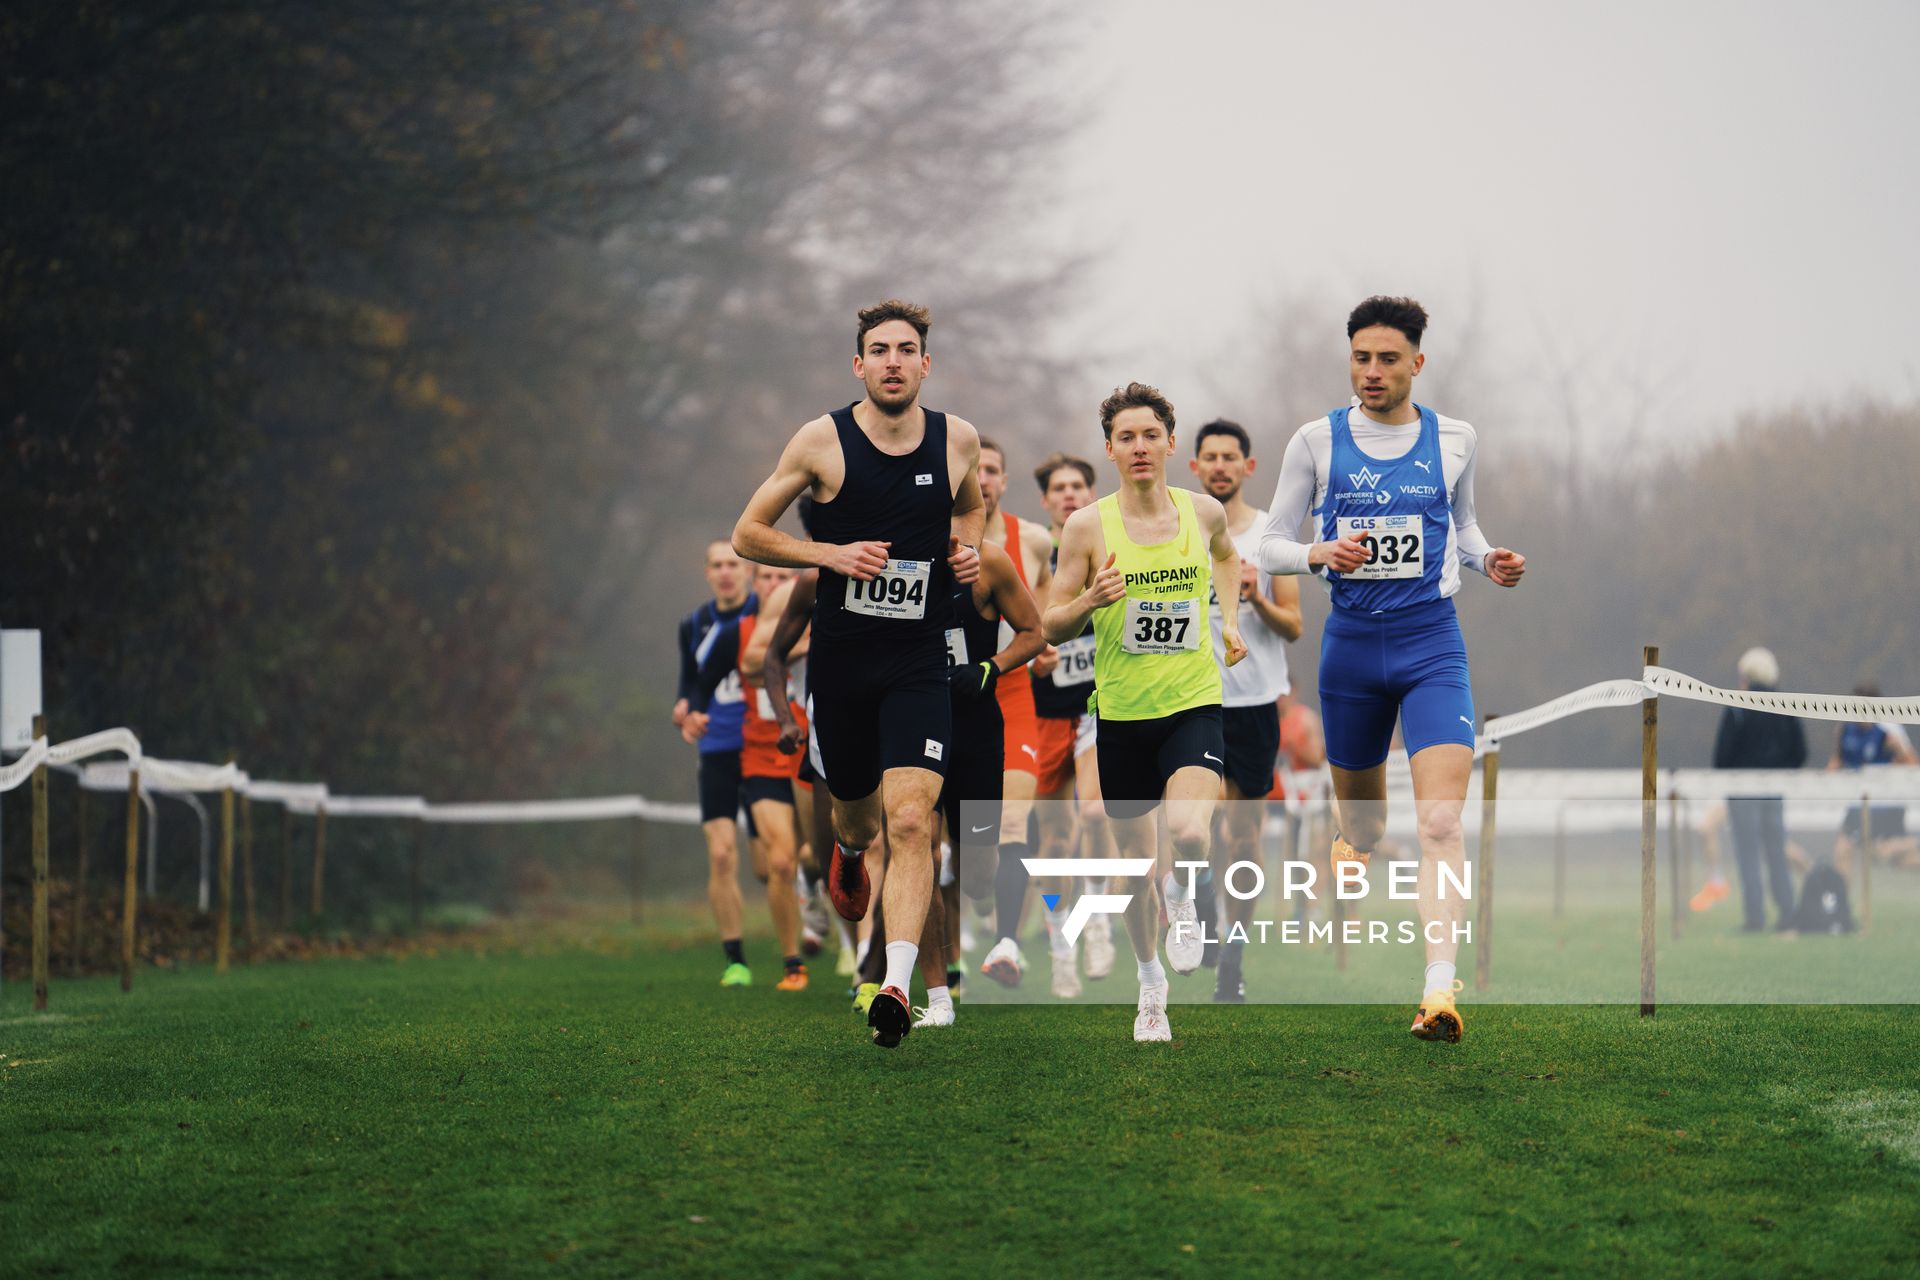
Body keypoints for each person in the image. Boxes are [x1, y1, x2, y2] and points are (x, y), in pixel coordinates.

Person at [1256, 296, 1527, 1044]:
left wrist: (1487, 557)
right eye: (1360, 358)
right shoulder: (1315, 441)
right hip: (1350, 647)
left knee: (1440, 821)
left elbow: (1462, 524)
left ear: (1417, 361)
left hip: (1431, 643)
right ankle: (1354, 839)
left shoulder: (1456, 439)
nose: (1371, 372)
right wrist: (1319, 554)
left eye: (1386, 358)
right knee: (1367, 822)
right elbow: (1269, 542)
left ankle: (1439, 990)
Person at [732, 299, 985, 1049]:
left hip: (918, 660)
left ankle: (898, 985)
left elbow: (968, 509)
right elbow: (748, 532)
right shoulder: (822, 440)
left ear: (925, 364)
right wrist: (830, 556)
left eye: (907, 350)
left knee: (912, 823)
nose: (894, 362)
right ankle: (844, 857)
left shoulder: (957, 439)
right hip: (842, 666)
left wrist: (965, 550)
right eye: (880, 350)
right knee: (856, 819)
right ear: (859, 364)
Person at [1045, 381, 1246, 1043]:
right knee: (1133, 868)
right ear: (1109, 448)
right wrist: (1087, 602)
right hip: (1123, 715)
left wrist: (1231, 622)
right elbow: (1048, 624)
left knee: (1189, 832)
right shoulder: (1085, 527)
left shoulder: (1203, 513)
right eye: (1125, 437)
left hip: (1193, 702)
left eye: (1149, 435)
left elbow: (1226, 558)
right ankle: (1150, 985)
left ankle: (1182, 894)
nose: (1138, 447)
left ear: (1169, 441)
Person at [1189, 419, 1302, 1002]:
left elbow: (1295, 627)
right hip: (1192, 700)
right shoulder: (1182, 531)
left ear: (1247, 467)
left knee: (1243, 836)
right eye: (1209, 457)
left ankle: (1233, 951)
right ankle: (1204, 902)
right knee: (1191, 830)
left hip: (1255, 703)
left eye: (1230, 457)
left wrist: (1255, 595)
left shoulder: (1269, 537)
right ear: (1195, 468)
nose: (1220, 467)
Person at [916, 541, 1046, 1028]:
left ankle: (959, 864)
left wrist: (991, 667)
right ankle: (933, 992)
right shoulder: (886, 558)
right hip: (916, 723)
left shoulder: (986, 561)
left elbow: (1036, 632)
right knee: (915, 842)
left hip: (975, 729)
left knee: (975, 878)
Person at [691, 563, 811, 988]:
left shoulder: (816, 620)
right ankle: (793, 963)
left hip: (809, 756)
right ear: (754, 584)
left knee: (815, 857)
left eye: (783, 579)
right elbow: (702, 681)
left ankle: (815, 896)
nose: (775, 586)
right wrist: (691, 710)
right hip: (761, 758)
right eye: (767, 578)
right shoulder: (737, 634)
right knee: (777, 862)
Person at [674, 540, 758, 986]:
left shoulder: (769, 611)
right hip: (717, 751)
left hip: (766, 749)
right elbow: (690, 686)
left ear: (746, 570)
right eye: (717, 565)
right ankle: (735, 960)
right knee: (723, 854)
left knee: (774, 864)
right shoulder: (694, 625)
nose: (726, 572)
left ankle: (814, 907)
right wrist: (684, 711)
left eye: (733, 563)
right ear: (707, 573)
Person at [1711, 646, 1808, 931]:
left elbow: (1722, 756)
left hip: (1742, 794)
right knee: (1777, 852)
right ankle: (1787, 914)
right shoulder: (1785, 706)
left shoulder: (1736, 706)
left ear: (1746, 675)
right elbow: (1799, 751)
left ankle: (1755, 918)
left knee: (1748, 855)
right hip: (1774, 792)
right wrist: (1779, 771)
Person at [1828, 681, 1920, 872]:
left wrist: (1897, 759)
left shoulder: (1888, 730)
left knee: (1888, 856)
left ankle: (1912, 843)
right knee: (1843, 849)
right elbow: (1838, 760)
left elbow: (1912, 764)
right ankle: (1842, 901)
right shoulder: (1845, 729)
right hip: (1859, 802)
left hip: (1883, 804)